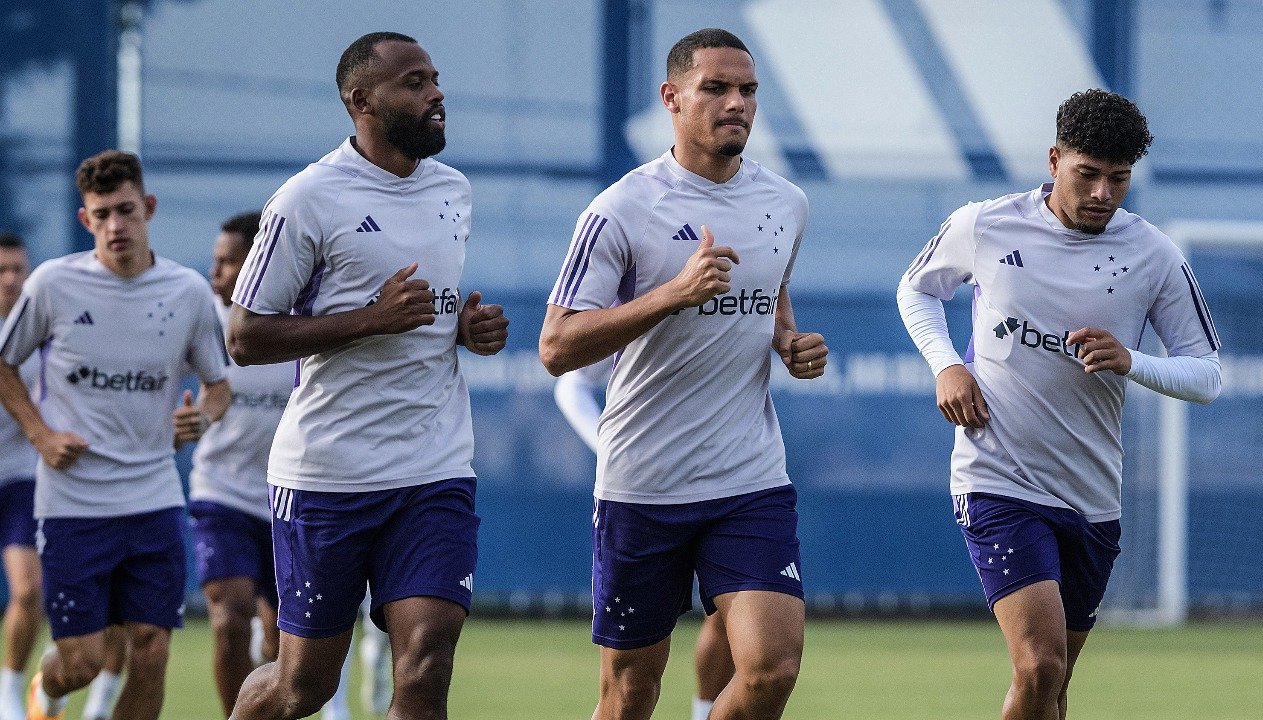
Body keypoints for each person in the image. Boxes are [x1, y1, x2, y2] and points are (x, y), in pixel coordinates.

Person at [896, 89, 1222, 720]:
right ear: (1054, 160)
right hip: (997, 478)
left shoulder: (1153, 254)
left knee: (1052, 685)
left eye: (1118, 179)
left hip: (1092, 496)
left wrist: (1134, 361)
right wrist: (948, 365)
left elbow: (1206, 374)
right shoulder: (985, 225)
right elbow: (916, 291)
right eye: (1087, 174)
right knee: (1039, 663)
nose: (1102, 193)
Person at [539, 28, 827, 720]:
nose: (737, 103)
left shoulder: (786, 204)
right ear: (671, 98)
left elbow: (772, 291)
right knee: (631, 691)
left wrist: (789, 339)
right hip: (644, 483)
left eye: (749, 90)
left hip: (748, 478)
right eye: (717, 88)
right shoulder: (619, 210)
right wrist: (672, 292)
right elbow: (556, 346)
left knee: (772, 669)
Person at [224, 31, 508, 720]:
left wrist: (468, 331)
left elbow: (430, 315)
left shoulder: (453, 192)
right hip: (329, 477)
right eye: (414, 82)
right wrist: (369, 319)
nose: (435, 93)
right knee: (303, 688)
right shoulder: (308, 199)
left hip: (433, 468)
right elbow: (244, 336)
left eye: (435, 78)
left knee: (428, 656)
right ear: (362, 101)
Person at [0, 149, 231, 720]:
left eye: (125, 210)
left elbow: (219, 387)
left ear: (148, 208)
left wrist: (200, 418)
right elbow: (4, 365)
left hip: (153, 498)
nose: (115, 225)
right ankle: (42, 690)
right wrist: (40, 435)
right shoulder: (55, 284)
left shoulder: (187, 293)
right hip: (73, 505)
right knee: (82, 661)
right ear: (85, 221)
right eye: (101, 214)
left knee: (150, 648)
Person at [553, 360, 734, 720]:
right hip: (644, 495)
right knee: (631, 686)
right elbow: (570, 383)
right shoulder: (644, 303)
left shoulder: (746, 309)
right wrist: (610, 449)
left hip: (734, 483)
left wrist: (788, 341)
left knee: (743, 622)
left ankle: (703, 713)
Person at [184, 211, 292, 718]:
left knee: (283, 647)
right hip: (220, 493)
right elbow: (160, 389)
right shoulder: (199, 319)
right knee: (229, 619)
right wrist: (178, 422)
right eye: (215, 261)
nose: (216, 272)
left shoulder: (298, 325)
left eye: (229, 262)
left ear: (259, 268)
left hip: (289, 499)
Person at [0, 233, 40, 720]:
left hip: (19, 476)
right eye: (1, 271)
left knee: (29, 590)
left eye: (17, 270)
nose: (10, 279)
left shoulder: (39, 334)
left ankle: (9, 688)